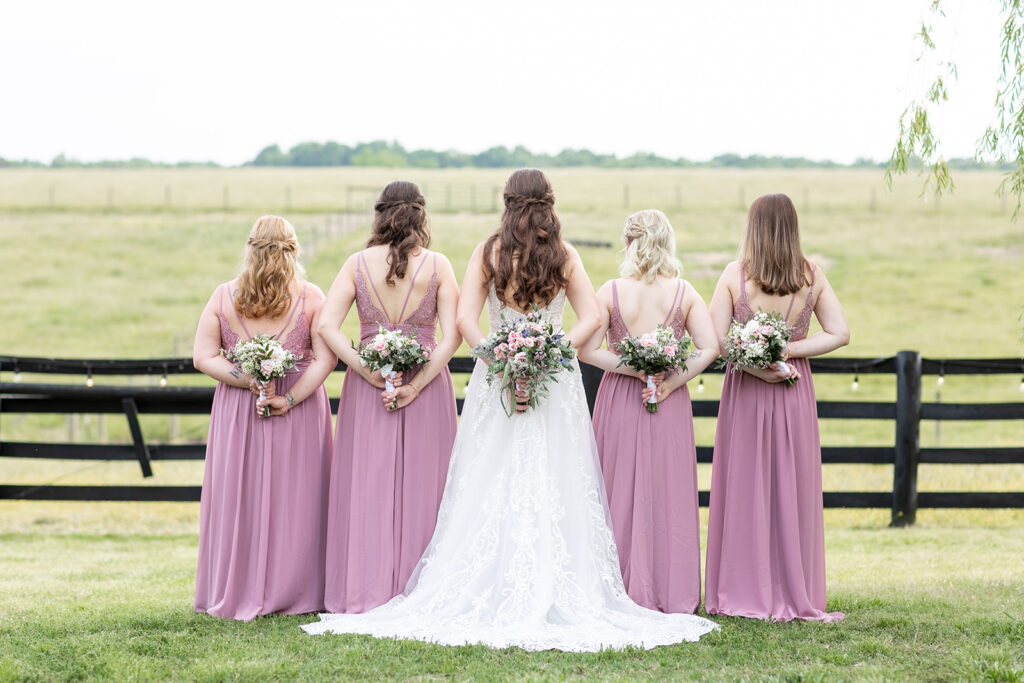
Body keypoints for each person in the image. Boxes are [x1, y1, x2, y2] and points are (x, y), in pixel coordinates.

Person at [301, 169, 718, 651]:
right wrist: (551, 351)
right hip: (555, 382)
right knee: (556, 476)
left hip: (495, 382)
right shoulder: (563, 254)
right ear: (548, 203)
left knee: (490, 476)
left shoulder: (489, 251)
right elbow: (594, 318)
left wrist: (499, 357)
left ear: (507, 202)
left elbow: (464, 320)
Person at [704, 193, 849, 622]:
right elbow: (838, 333)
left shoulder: (735, 275)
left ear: (754, 227)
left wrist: (756, 359)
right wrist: (792, 351)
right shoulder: (811, 275)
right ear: (792, 228)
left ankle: (742, 588)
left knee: (745, 487)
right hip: (792, 389)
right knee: (790, 486)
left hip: (747, 394)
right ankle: (790, 588)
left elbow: (714, 343)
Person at [316, 181, 460, 613]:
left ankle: (366, 588)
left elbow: (326, 326)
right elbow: (452, 336)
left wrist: (363, 368)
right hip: (427, 387)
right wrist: (417, 384)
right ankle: (424, 590)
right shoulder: (438, 265)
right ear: (421, 216)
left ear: (380, 214)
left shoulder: (357, 264)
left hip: (369, 388)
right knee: (428, 485)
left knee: (368, 482)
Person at [193, 215, 335, 621]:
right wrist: (287, 398)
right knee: (299, 498)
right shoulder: (311, 298)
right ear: (294, 250)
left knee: (240, 495)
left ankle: (235, 588)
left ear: (250, 247)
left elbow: (203, 357)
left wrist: (247, 379)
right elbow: (326, 358)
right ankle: (297, 590)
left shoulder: (223, 296)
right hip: (300, 408)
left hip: (240, 411)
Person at [581, 209, 718, 614]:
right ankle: (668, 591)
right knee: (667, 492)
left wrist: (631, 367)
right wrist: (672, 381)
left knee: (615, 489)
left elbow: (587, 349)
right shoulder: (684, 292)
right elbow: (709, 347)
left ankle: (614, 587)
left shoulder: (609, 291)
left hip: (620, 399)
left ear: (628, 244)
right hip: (668, 403)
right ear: (667, 243)